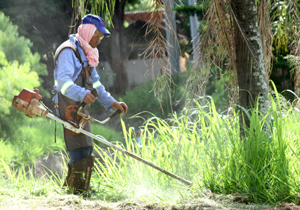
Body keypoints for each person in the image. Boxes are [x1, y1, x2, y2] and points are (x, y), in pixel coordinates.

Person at [52, 14, 128, 194]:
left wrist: (113, 103)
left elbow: (96, 86)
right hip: (67, 106)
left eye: (101, 37)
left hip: (80, 107)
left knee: (86, 147)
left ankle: (75, 191)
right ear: (87, 32)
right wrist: (82, 93)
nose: (99, 40)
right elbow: (63, 83)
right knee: (78, 147)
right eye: (97, 36)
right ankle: (76, 193)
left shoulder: (88, 53)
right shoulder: (68, 51)